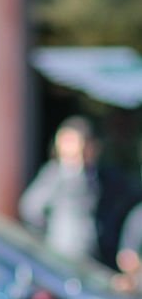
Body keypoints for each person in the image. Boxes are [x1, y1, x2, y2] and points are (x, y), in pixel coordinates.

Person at [19, 115, 140, 268]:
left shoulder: (105, 179)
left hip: (94, 263)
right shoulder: (54, 175)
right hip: (61, 258)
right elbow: (31, 209)